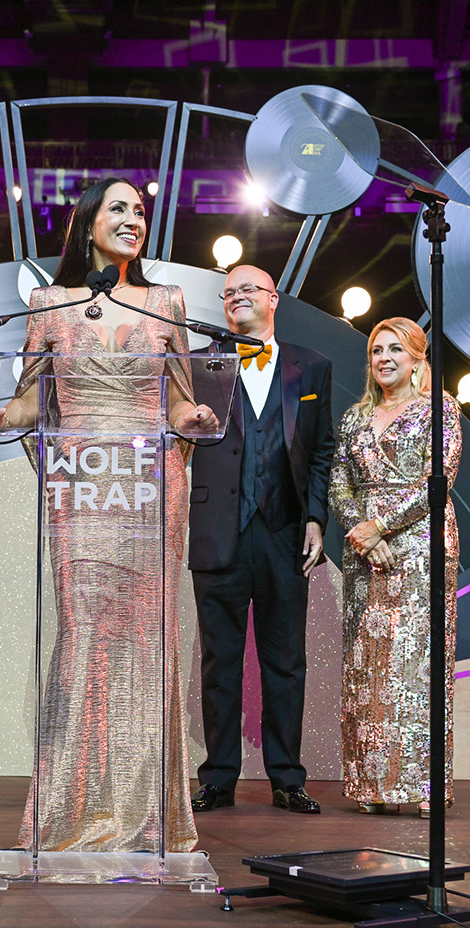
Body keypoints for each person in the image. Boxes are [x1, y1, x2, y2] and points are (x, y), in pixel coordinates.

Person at [0, 177, 214, 854]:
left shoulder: (167, 304)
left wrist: (197, 416)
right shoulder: (49, 304)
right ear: (88, 223)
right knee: (82, 633)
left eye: (140, 210)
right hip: (81, 484)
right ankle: (72, 809)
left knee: (147, 641)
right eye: (119, 208)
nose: (133, 219)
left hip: (150, 481)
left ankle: (144, 814)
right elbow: (27, 402)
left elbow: (179, 403)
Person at [186, 265, 333, 816]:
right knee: (218, 662)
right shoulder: (199, 365)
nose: (236, 297)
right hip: (217, 532)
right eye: (228, 293)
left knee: (285, 661)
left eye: (248, 289)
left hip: (284, 533)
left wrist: (316, 518)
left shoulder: (312, 366)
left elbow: (321, 452)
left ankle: (287, 778)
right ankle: (219, 777)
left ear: (274, 299)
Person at [328, 316, 460, 818]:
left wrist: (380, 525)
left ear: (416, 360)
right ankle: (372, 785)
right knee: (367, 664)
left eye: (395, 351)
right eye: (376, 351)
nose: (384, 358)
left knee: (417, 665)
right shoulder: (354, 417)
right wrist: (362, 532)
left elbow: (437, 479)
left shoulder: (439, 409)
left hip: (421, 541)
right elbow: (339, 482)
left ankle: (426, 786)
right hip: (364, 548)